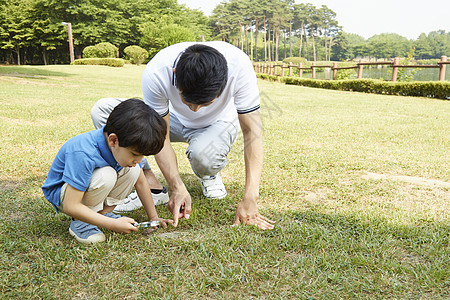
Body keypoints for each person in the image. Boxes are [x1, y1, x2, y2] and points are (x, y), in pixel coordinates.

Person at [91, 41, 275, 230]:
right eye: (187, 100)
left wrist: (251, 197)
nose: (195, 110)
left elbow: (252, 131)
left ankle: (209, 175)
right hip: (172, 119)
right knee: (103, 110)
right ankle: (149, 182)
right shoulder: (157, 70)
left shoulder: (239, 66)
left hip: (217, 123)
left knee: (203, 156)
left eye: (204, 103)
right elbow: (161, 136)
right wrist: (176, 186)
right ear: (175, 75)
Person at [42, 99, 173, 244]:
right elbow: (70, 205)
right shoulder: (83, 153)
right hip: (65, 195)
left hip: (86, 189)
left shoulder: (122, 147)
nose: (138, 159)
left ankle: (102, 214)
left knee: (134, 171)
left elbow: (141, 182)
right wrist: (112, 225)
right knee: (107, 175)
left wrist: (153, 217)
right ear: (113, 140)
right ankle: (80, 222)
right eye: (135, 154)